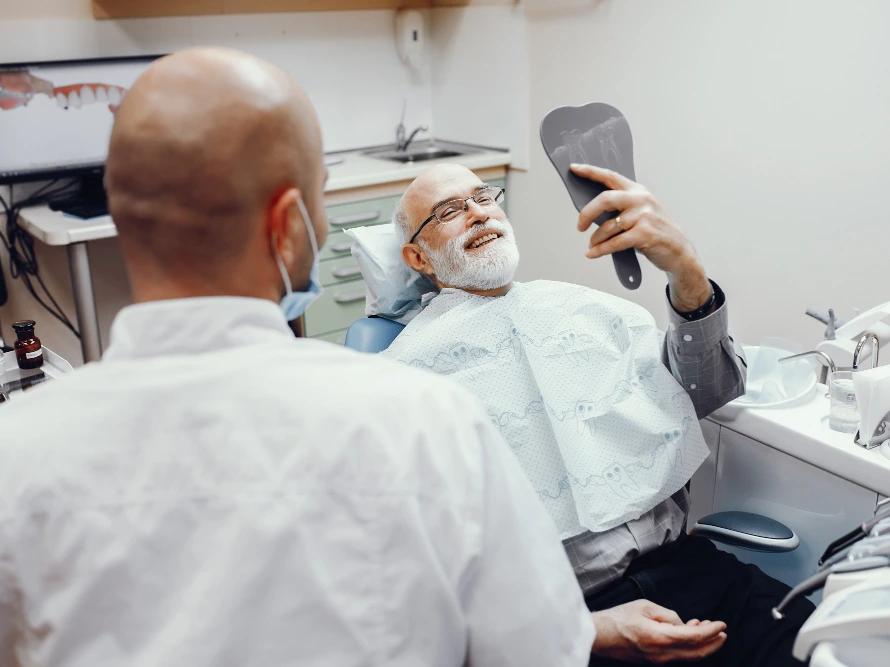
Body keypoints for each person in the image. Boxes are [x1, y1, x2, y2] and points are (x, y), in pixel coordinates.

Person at [0, 48, 605, 666]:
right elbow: (542, 652)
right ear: (289, 226)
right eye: (319, 197)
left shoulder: (15, 451)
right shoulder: (426, 421)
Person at [382, 163, 814, 665]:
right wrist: (586, 630)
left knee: (825, 645)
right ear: (418, 256)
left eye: (484, 197)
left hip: (694, 573)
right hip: (563, 618)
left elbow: (711, 390)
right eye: (450, 211)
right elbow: (415, 582)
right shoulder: (403, 382)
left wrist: (685, 270)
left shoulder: (589, 312)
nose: (478, 214)